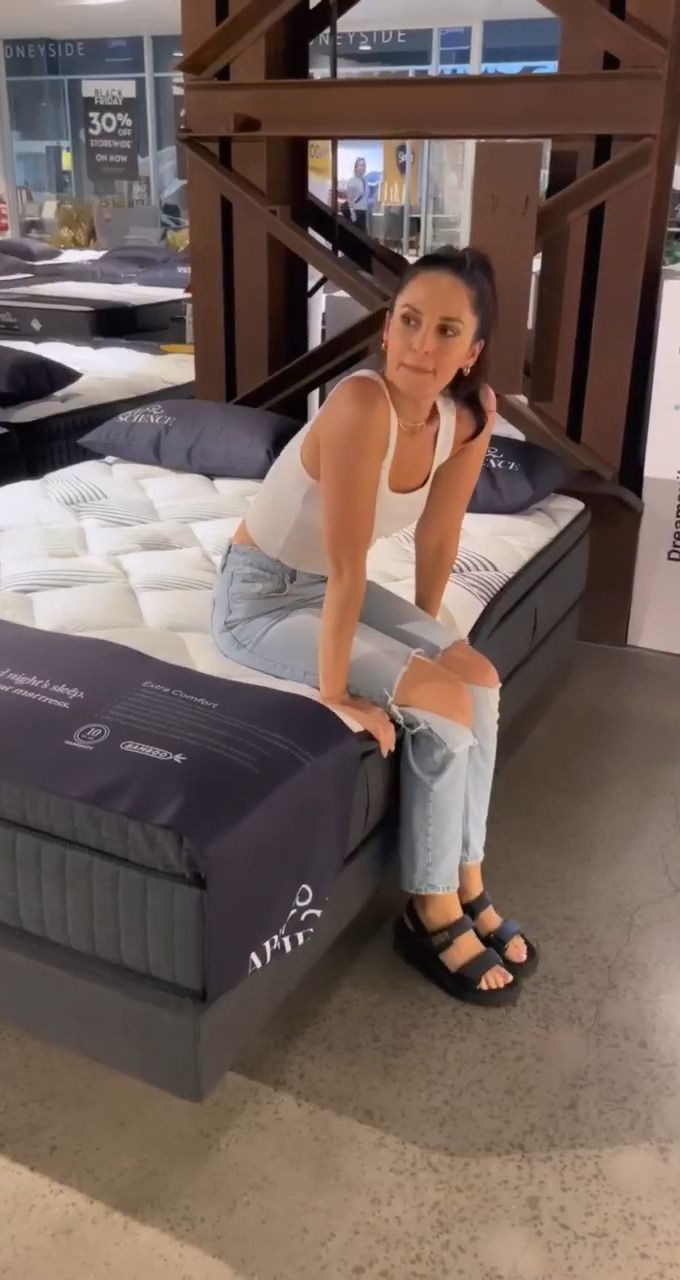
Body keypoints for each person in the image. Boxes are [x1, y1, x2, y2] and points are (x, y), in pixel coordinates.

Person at [212, 248, 538, 1007]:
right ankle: (430, 909)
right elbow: (348, 563)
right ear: (386, 330)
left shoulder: (467, 419)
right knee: (441, 696)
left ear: (472, 351)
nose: (421, 344)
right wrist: (338, 693)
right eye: (409, 321)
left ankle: (467, 877)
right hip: (259, 598)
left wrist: (433, 642)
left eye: (446, 330)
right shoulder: (360, 404)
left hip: (323, 588)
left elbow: (438, 536)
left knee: (476, 677)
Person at [340, 157, 369, 232]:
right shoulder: (352, 181)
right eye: (360, 165)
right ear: (356, 167)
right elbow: (350, 199)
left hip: (364, 213)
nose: (363, 167)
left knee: (363, 235)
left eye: (364, 165)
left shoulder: (365, 181)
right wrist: (353, 215)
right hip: (355, 213)